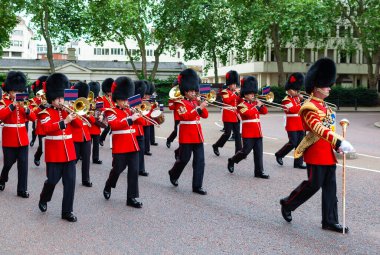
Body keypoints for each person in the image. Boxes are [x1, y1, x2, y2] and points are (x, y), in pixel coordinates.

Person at [279, 58, 355, 233]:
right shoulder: (308, 107)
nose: (329, 87)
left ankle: (329, 220)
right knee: (313, 185)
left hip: (327, 152)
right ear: (316, 86)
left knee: (330, 187)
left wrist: (337, 146)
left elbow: (330, 129)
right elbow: (318, 129)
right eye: (326, 84)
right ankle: (288, 204)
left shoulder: (326, 107)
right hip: (315, 153)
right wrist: (338, 141)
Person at [38, 73, 81, 222]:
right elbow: (44, 129)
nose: (61, 101)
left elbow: (79, 125)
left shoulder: (67, 111)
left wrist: (72, 113)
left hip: (69, 152)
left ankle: (67, 211)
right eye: (58, 98)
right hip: (54, 153)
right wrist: (64, 122)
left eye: (62, 98)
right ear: (52, 98)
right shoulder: (45, 113)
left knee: (70, 183)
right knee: (52, 181)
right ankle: (44, 198)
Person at [102, 76, 144, 208]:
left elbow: (143, 123)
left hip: (133, 145)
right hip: (120, 146)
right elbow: (115, 125)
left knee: (134, 171)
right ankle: (109, 185)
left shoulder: (130, 110)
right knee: (117, 169)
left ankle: (131, 198)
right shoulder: (110, 111)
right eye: (123, 99)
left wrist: (139, 114)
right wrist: (130, 119)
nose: (126, 102)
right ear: (117, 99)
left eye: (127, 99)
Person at [168, 68, 209, 195]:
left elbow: (205, 115)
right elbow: (185, 117)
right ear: (185, 91)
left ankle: (197, 186)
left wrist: (200, 104)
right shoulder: (180, 103)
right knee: (184, 159)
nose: (193, 92)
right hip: (186, 135)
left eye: (194, 90)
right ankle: (173, 173)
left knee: (200, 161)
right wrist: (199, 108)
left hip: (198, 135)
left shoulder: (194, 101)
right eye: (191, 91)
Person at [0, 71, 36, 198]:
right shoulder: (3, 102)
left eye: (19, 91)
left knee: (23, 164)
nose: (17, 94)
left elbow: (33, 117)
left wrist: (25, 109)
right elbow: (1, 116)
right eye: (15, 91)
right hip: (9, 138)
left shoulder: (24, 102)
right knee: (8, 163)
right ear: (9, 91)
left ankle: (22, 190)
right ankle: (2, 178)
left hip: (23, 138)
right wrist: (12, 106)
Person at [227, 76, 270, 179]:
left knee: (259, 153)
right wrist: (257, 106)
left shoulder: (255, 103)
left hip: (258, 132)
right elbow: (249, 114)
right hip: (248, 133)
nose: (253, 95)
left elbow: (265, 112)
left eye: (253, 93)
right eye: (251, 93)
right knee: (244, 152)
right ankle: (232, 160)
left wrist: (262, 105)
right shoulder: (241, 105)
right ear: (245, 94)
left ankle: (259, 172)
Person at [275, 73, 307, 169]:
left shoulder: (298, 98)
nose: (296, 92)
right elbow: (292, 110)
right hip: (292, 125)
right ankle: (279, 154)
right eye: (294, 90)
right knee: (292, 143)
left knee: (300, 144)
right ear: (289, 90)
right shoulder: (286, 100)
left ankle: (298, 163)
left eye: (297, 90)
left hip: (300, 124)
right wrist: (301, 102)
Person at [212, 70, 242, 156]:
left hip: (235, 115)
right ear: (229, 84)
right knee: (227, 134)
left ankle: (238, 152)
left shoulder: (235, 93)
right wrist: (235, 93)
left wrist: (242, 96)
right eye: (233, 84)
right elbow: (227, 101)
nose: (235, 86)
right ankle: (216, 145)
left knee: (237, 135)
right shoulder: (225, 92)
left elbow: (238, 102)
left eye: (235, 84)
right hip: (228, 115)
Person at [71, 81, 95, 187]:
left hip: (86, 136)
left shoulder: (85, 104)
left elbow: (93, 121)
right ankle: (68, 176)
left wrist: (88, 115)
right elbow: (76, 123)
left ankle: (86, 179)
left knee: (86, 159)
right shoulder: (72, 105)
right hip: (75, 136)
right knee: (74, 159)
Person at [30, 76, 49, 166]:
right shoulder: (36, 100)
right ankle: (37, 156)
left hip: (52, 125)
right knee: (42, 147)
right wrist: (41, 106)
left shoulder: (51, 98)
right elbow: (33, 113)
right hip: (41, 125)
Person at [134, 80, 149, 176]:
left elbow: (144, 118)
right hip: (133, 130)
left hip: (140, 130)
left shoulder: (142, 102)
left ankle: (141, 169)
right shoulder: (130, 102)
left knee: (141, 149)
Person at [88, 81, 103, 164]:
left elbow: (101, 110)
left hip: (96, 125)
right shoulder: (87, 100)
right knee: (87, 144)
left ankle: (95, 158)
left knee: (96, 144)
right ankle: (84, 156)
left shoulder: (99, 100)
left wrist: (101, 116)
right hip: (89, 125)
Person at [98, 78, 115, 146]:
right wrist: (105, 109)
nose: (111, 93)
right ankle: (101, 139)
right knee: (107, 128)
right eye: (109, 91)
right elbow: (100, 107)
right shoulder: (102, 98)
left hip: (112, 114)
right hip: (105, 114)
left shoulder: (112, 97)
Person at [166, 79, 181, 149]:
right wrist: (175, 101)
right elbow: (171, 107)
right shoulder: (172, 96)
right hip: (178, 116)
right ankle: (169, 139)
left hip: (186, 115)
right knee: (176, 131)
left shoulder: (184, 94)